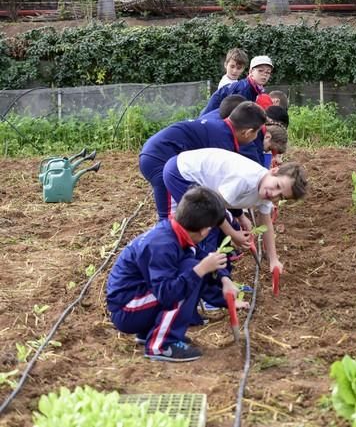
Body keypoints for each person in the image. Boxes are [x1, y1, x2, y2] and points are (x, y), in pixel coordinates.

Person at [106, 186, 236, 362]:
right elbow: (167, 293)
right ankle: (161, 345)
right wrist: (200, 270)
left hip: (139, 301)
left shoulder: (176, 232)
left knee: (192, 268)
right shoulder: (162, 245)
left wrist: (225, 278)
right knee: (190, 273)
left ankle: (150, 334)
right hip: (127, 309)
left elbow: (203, 257)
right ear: (205, 230)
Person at [162, 148, 308, 274]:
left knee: (217, 229)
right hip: (182, 172)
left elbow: (266, 223)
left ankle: (217, 276)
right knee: (203, 228)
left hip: (208, 190)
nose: (274, 194)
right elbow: (212, 208)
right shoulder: (245, 179)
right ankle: (200, 280)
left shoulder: (266, 191)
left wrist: (273, 259)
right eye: (277, 186)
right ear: (274, 171)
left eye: (281, 196)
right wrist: (233, 234)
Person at [139, 100, 266, 220]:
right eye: (257, 133)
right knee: (169, 215)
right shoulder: (222, 142)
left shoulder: (222, 130)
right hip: (159, 159)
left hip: (158, 154)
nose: (256, 138)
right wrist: (237, 216)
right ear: (247, 132)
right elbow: (219, 191)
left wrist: (238, 215)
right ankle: (166, 241)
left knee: (188, 210)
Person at [201, 55, 274, 116]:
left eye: (268, 72)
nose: (264, 74)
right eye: (260, 70)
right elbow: (236, 117)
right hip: (211, 118)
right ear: (251, 71)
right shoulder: (245, 89)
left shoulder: (254, 88)